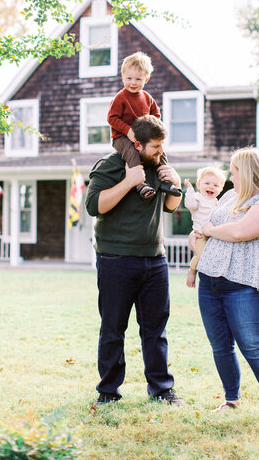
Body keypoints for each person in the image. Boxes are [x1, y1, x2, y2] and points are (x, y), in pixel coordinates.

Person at [191, 147, 259, 426]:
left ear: (248, 172)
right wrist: (202, 234)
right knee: (220, 346)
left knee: (253, 346)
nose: (230, 176)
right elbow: (202, 229)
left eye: (234, 171)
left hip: (246, 286)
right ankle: (231, 400)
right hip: (210, 281)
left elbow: (239, 232)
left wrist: (210, 231)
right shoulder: (229, 196)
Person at [85, 114, 184, 406]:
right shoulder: (110, 165)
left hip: (155, 260)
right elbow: (94, 206)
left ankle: (162, 389)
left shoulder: (159, 165)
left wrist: (175, 183)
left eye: (162, 146)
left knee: (156, 330)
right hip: (116, 259)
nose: (160, 152)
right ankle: (108, 392)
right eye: (154, 147)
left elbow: (169, 207)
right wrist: (129, 181)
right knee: (113, 328)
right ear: (136, 144)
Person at [107, 51, 182, 200]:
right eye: (129, 78)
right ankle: (140, 183)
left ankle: (166, 180)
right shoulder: (120, 98)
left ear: (146, 79)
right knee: (132, 153)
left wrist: (153, 130)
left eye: (138, 79)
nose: (133, 83)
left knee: (159, 152)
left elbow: (156, 115)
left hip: (145, 138)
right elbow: (112, 118)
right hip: (122, 138)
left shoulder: (147, 97)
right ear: (122, 77)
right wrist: (127, 131)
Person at [184, 166, 226, 288]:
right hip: (200, 235)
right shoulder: (198, 198)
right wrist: (190, 190)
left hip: (213, 236)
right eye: (207, 183)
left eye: (216, 185)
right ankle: (192, 272)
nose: (211, 187)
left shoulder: (217, 202)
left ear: (221, 189)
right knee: (201, 256)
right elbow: (190, 205)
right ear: (198, 184)